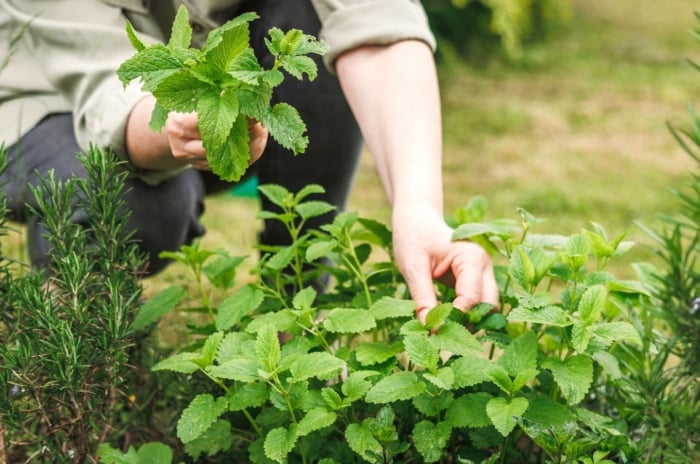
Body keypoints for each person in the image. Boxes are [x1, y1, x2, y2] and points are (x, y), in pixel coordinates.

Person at [0, 0, 498, 321]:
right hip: (38, 102)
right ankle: (69, 346)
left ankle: (295, 309)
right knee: (135, 207)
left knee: (312, 31)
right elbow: (108, 86)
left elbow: (377, 21)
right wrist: (184, 120)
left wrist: (419, 211)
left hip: (213, 98)